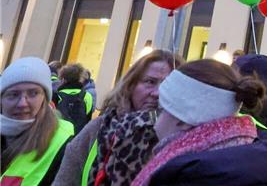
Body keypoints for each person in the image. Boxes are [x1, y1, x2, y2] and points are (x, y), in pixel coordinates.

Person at [130, 58, 267, 186]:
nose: (155, 122)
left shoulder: (184, 176)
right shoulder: (248, 151)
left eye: (162, 110)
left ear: (182, 118)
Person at [52, 49, 179, 186]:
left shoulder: (181, 138)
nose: (157, 93)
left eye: (168, 85)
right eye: (150, 82)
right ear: (131, 84)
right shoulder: (99, 128)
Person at [1, 57, 75, 186]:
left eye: (33, 93)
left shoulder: (65, 147)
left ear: (45, 99)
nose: (22, 103)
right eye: (13, 94)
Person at [53, 64, 94, 133]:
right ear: (79, 78)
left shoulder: (56, 96)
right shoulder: (87, 96)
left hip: (60, 136)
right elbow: (87, 120)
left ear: (63, 79)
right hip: (78, 138)